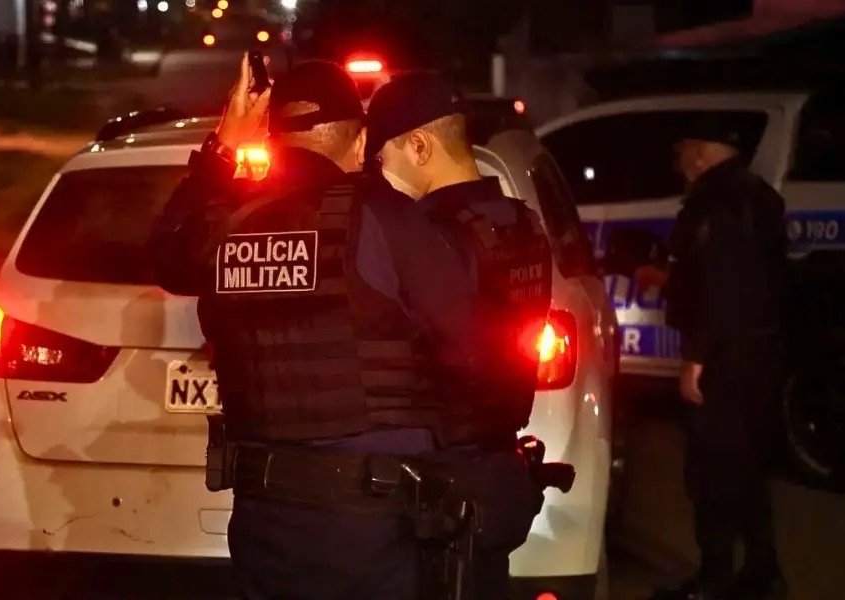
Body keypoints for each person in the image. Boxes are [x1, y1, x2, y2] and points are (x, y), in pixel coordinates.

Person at [149, 54, 485, 600]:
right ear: (361, 142)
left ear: (273, 140)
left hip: (264, 517)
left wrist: (225, 145)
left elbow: (166, 257)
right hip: (373, 519)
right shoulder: (382, 216)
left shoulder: (230, 222)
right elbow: (469, 343)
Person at [365, 71, 557, 598]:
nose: (380, 172)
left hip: (438, 470)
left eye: (383, 157)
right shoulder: (521, 222)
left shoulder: (425, 234)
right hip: (499, 462)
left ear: (419, 146)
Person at [641, 117, 789, 600]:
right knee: (746, 466)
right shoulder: (760, 196)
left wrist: (697, 357)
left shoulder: (713, 203)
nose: (678, 161)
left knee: (710, 472)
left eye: (682, 150)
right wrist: (670, 281)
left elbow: (723, 285)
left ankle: (714, 580)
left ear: (701, 152)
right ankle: (763, 573)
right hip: (761, 351)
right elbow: (745, 276)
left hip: (724, 358)